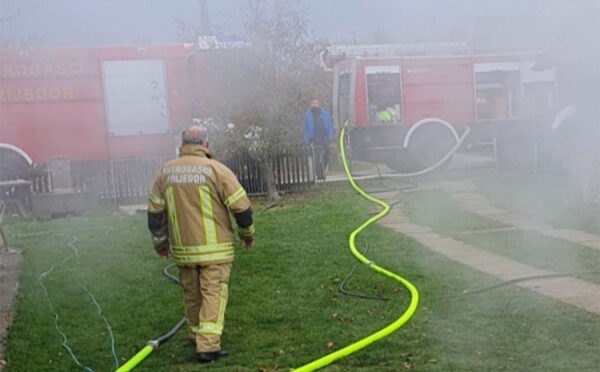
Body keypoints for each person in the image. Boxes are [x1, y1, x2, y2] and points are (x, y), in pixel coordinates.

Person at [147, 126, 254, 363]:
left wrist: (160, 244)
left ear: (181, 145)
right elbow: (242, 208)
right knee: (213, 293)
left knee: (192, 294)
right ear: (206, 145)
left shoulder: (166, 172)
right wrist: (247, 234)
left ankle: (196, 335)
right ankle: (207, 346)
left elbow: (155, 215)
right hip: (215, 251)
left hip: (184, 251)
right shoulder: (217, 170)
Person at [303, 98, 334, 179]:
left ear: (318, 103)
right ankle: (319, 174)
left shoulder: (324, 113)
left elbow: (330, 126)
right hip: (314, 138)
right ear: (310, 104)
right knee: (316, 157)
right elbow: (304, 128)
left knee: (326, 155)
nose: (314, 105)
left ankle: (321, 170)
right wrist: (307, 139)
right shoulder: (307, 115)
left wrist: (330, 137)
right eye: (313, 103)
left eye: (316, 103)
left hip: (324, 137)